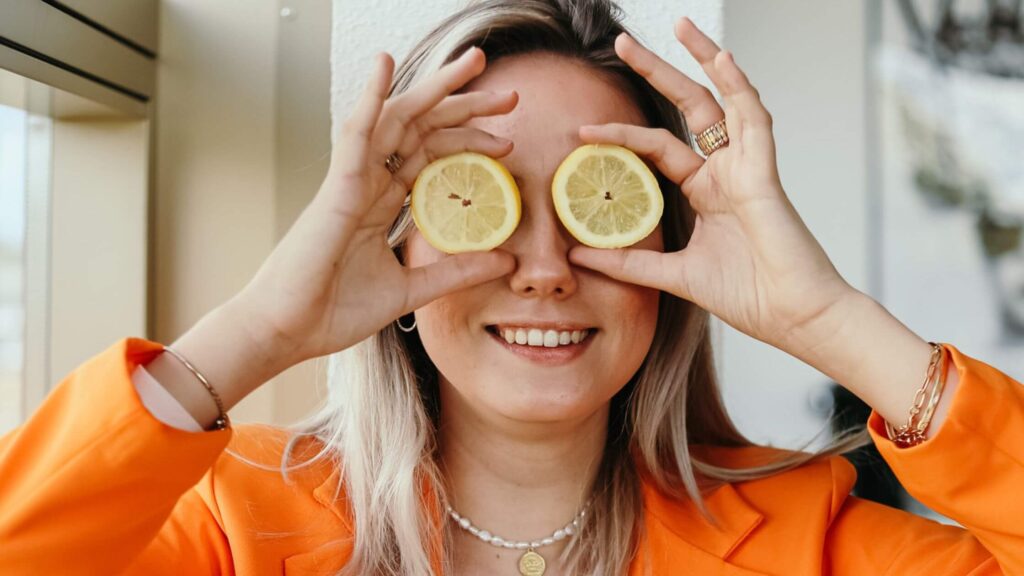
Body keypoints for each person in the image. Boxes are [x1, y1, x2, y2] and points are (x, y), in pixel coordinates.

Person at [1, 1, 1022, 575]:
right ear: (396, 240)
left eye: (596, 204)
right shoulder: (229, 526)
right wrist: (262, 327)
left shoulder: (816, 543)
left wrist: (828, 321)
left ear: (663, 251)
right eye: (478, 203)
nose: (543, 268)